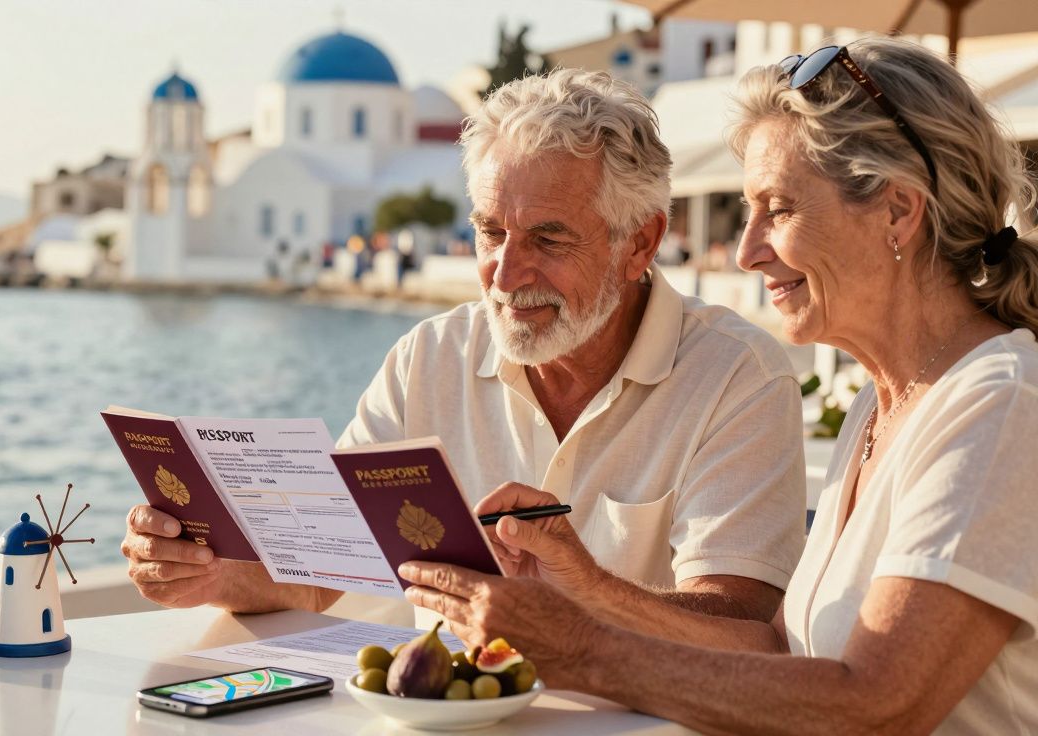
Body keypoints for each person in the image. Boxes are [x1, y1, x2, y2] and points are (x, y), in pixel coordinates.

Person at [401, 38, 1038, 733]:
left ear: (898, 211)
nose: (746, 250)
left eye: (779, 209)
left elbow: (873, 705)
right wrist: (586, 586)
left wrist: (577, 647)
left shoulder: (1001, 404)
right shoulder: (882, 405)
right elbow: (779, 652)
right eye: (749, 211)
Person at [121, 69, 807, 624]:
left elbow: (740, 628)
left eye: (548, 238)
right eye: (490, 233)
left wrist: (586, 591)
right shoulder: (429, 359)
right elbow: (326, 569)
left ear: (641, 244)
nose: (506, 277)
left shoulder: (738, 378)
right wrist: (205, 570)